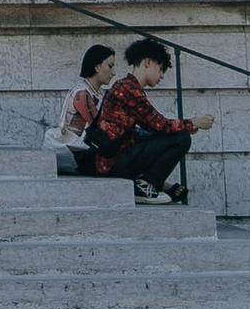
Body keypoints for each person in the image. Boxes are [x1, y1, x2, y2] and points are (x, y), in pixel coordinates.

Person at [90, 34, 214, 205]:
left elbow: (148, 130)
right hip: (115, 166)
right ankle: (145, 185)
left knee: (175, 135)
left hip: (116, 162)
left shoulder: (126, 86)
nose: (162, 76)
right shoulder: (128, 89)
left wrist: (182, 126)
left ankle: (155, 184)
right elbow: (159, 124)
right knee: (181, 139)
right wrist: (193, 122)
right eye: (161, 68)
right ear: (148, 62)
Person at [51, 43, 116, 175]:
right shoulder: (81, 94)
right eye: (110, 66)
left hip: (87, 150)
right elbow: (100, 127)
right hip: (76, 154)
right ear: (97, 67)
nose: (113, 73)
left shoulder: (100, 93)